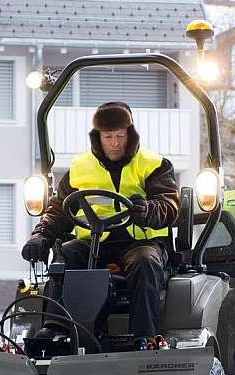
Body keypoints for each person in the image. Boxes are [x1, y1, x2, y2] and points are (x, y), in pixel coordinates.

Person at [21, 101, 179, 350]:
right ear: (98, 138)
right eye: (109, 137)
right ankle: (56, 328)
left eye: (120, 136)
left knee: (145, 261)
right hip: (94, 242)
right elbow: (59, 209)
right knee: (67, 255)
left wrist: (148, 210)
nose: (115, 142)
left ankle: (145, 336)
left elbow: (169, 205)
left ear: (130, 134)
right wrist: (41, 236)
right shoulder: (80, 168)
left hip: (139, 242)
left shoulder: (154, 165)